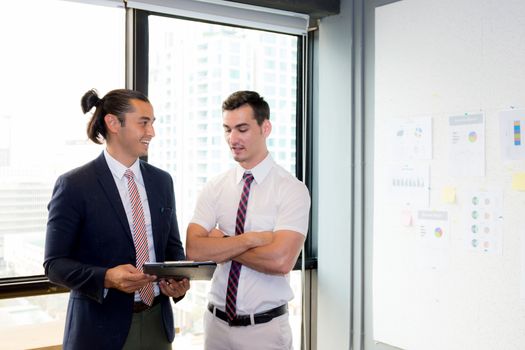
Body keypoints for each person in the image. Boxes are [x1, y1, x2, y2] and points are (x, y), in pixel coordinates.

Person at [44, 88, 190, 350]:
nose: (151, 132)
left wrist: (177, 280)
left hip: (158, 324)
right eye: (143, 123)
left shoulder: (162, 181)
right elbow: (54, 265)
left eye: (153, 123)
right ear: (113, 123)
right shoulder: (75, 185)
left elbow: (172, 248)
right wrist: (108, 277)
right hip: (98, 331)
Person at [186, 90, 311, 349]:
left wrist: (223, 244)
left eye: (242, 129)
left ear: (266, 128)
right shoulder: (215, 187)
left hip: (264, 331)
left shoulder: (291, 189)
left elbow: (280, 261)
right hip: (216, 326)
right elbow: (195, 249)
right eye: (227, 129)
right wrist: (251, 239)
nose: (233, 139)